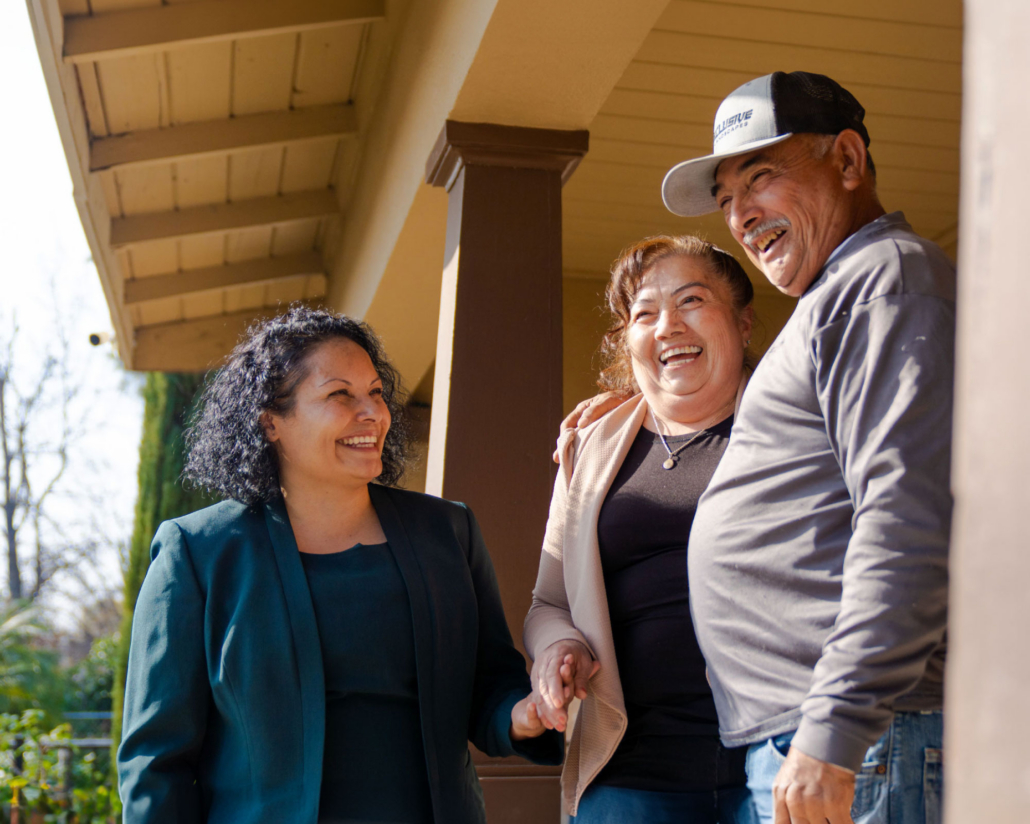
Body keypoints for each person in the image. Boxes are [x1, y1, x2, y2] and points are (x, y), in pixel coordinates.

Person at [562, 72, 954, 824]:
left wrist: (836, 728)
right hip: (821, 737)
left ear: (847, 160)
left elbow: (906, 515)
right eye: (727, 198)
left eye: (762, 177)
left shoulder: (882, 281)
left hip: (857, 740)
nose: (741, 214)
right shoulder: (842, 296)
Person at [117, 306, 562, 824]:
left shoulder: (448, 532)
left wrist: (523, 714)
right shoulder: (199, 552)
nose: (372, 412)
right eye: (339, 395)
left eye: (376, 392)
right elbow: (156, 762)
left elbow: (491, 684)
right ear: (270, 422)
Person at [524, 235, 759, 824]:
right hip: (630, 774)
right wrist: (559, 647)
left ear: (743, 322)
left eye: (692, 301)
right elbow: (548, 602)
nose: (668, 325)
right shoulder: (590, 447)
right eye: (644, 313)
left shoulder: (795, 424)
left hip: (775, 759)